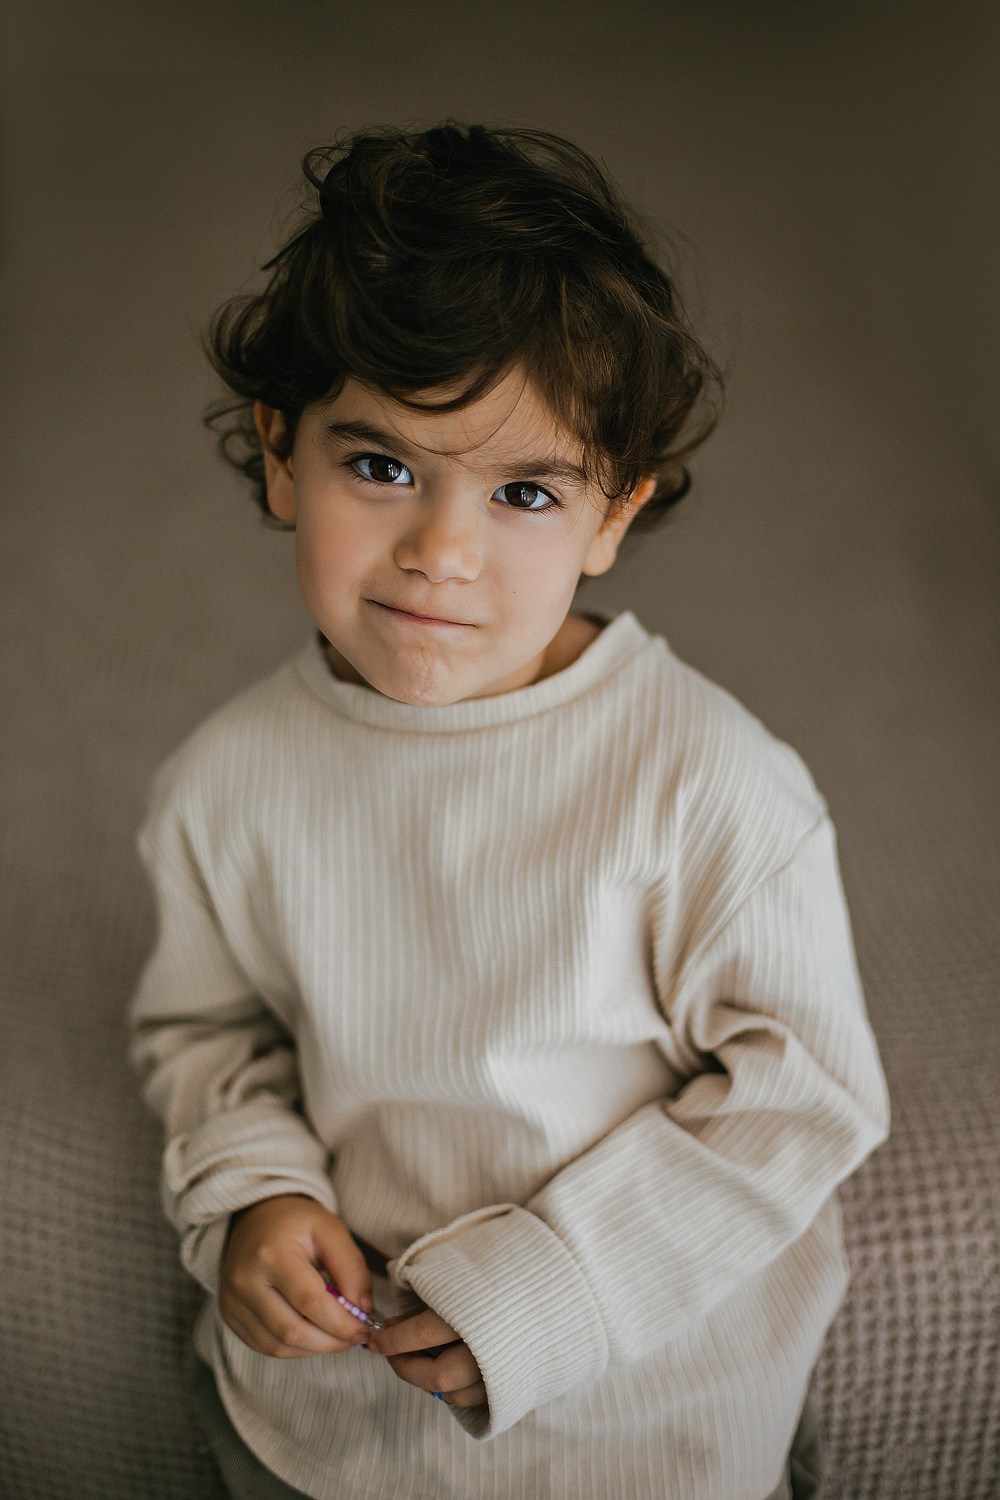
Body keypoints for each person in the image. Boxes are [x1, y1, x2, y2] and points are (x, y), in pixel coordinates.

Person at [126, 121, 891, 1500]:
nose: (441, 554)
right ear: (281, 449)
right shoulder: (225, 783)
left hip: (640, 1417)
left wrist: (558, 1286)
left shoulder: (707, 780)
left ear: (613, 517)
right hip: (327, 1425)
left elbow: (803, 1095)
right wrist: (254, 1190)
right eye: (381, 468)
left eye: (526, 492)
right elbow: (209, 1031)